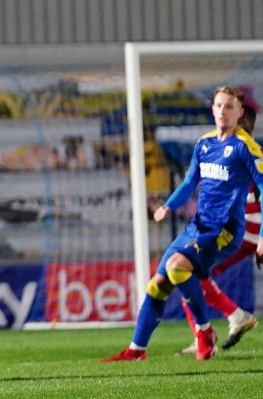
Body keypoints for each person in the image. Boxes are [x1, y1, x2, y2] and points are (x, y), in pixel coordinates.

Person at [102, 86, 263, 363]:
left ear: (239, 112)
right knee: (158, 284)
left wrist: (262, 237)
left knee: (178, 267)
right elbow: (190, 182)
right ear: (212, 109)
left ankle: (204, 333)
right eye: (219, 106)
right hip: (198, 226)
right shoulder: (204, 144)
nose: (223, 111)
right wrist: (168, 206)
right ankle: (136, 350)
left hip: (224, 231)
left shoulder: (245, 147)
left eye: (229, 107)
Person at [179, 104, 260, 353]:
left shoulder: (240, 151)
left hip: (242, 230)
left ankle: (224, 324)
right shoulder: (244, 149)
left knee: (184, 272)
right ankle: (208, 334)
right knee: (185, 274)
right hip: (248, 232)